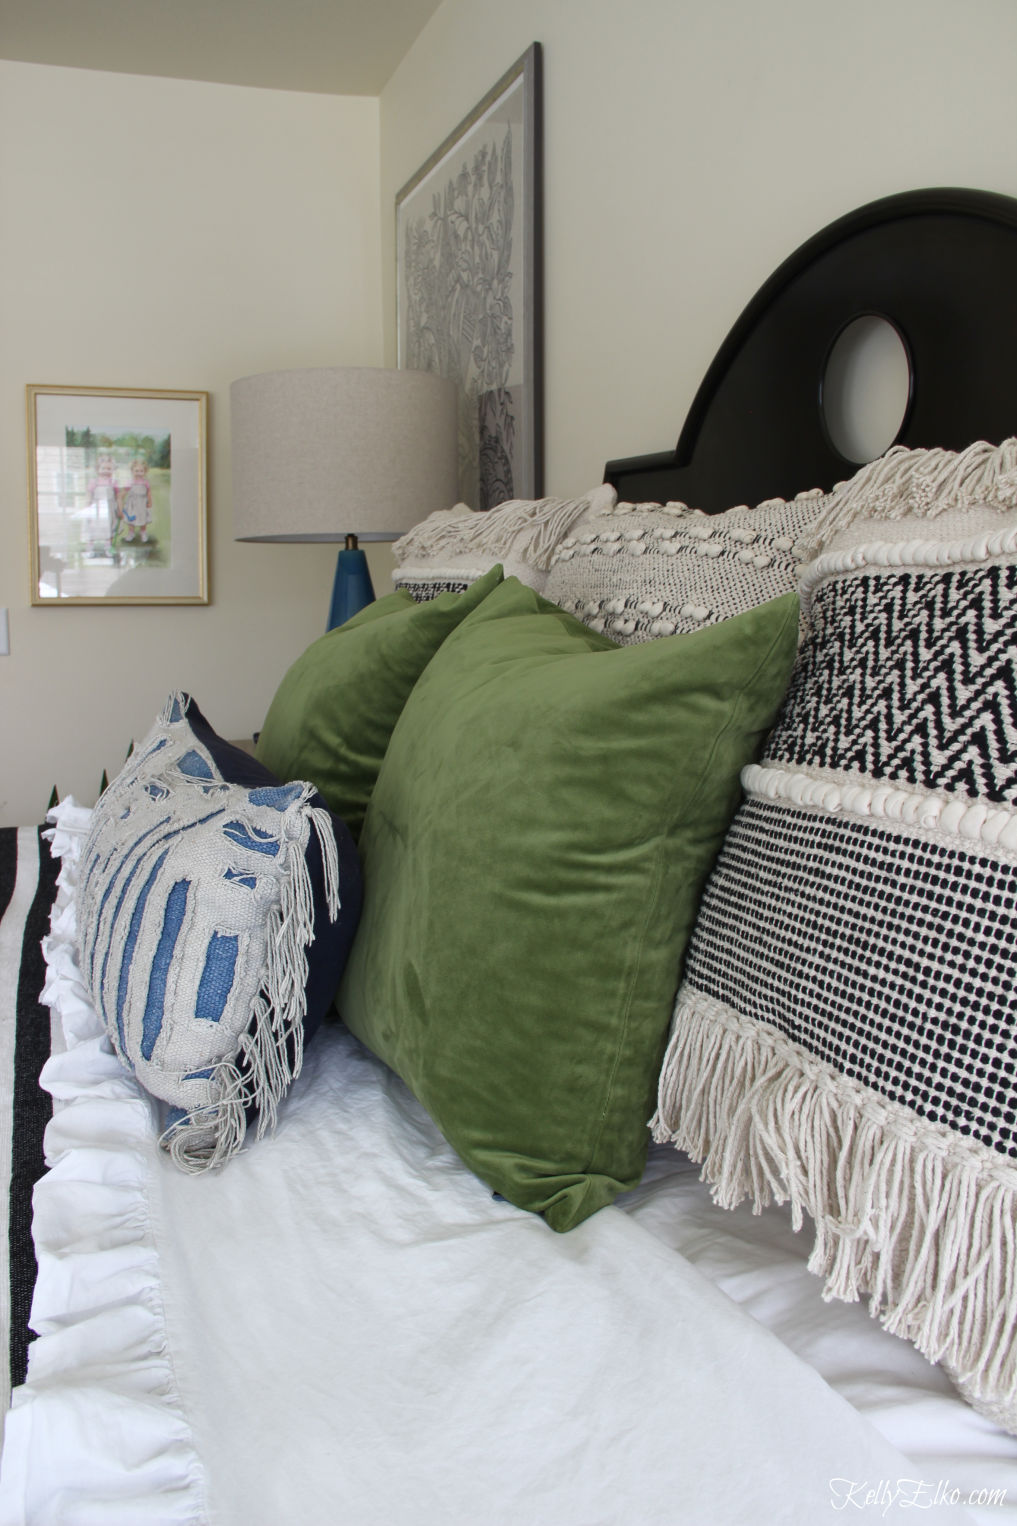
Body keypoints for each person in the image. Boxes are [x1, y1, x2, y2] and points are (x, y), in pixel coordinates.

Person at [120, 457, 153, 542]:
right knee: (132, 518)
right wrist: (121, 498)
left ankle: (143, 532)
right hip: (132, 503)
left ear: (145, 472)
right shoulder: (130, 481)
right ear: (132, 471)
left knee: (143, 518)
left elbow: (148, 492)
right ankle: (131, 532)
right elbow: (124, 491)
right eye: (136, 471)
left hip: (142, 503)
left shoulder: (145, 482)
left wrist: (149, 501)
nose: (139, 473)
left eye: (141, 471)